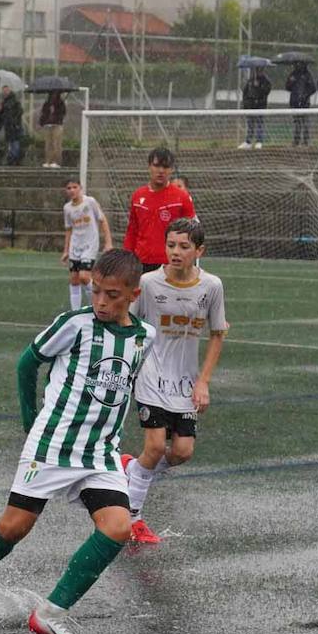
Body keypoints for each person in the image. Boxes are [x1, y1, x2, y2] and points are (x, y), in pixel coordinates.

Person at [0, 249, 155, 634]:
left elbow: (130, 386)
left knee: (117, 527)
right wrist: (30, 420)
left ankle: (51, 614)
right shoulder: (75, 325)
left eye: (112, 294)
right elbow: (28, 363)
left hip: (100, 454)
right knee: (13, 528)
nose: (101, 302)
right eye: (96, 292)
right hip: (52, 446)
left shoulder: (145, 336)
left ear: (133, 292)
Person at [120, 217, 227, 546]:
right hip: (150, 377)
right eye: (171, 245)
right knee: (154, 447)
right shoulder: (149, 283)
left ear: (199, 251)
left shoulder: (211, 287)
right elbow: (128, 322)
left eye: (183, 246)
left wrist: (203, 382)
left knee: (182, 452)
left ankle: (133, 471)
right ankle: (132, 519)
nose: (175, 252)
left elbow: (219, 332)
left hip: (185, 383)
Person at [123, 147, 196, 274]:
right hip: (141, 262)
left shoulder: (181, 197)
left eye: (166, 166)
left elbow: (192, 233)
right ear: (149, 166)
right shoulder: (138, 195)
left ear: (172, 169)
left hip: (170, 263)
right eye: (156, 166)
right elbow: (132, 230)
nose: (161, 171)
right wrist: (127, 257)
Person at [60, 178, 112, 311]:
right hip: (75, 246)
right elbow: (69, 229)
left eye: (74, 187)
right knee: (74, 279)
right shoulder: (67, 208)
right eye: (69, 188)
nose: (72, 190)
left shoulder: (90, 202)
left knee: (84, 277)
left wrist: (108, 242)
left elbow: (103, 220)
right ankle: (75, 311)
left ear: (80, 188)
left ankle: (94, 305)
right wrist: (66, 250)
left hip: (89, 244)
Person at [239, 68, 272, 149]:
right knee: (250, 125)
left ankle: (259, 141)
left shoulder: (266, 81)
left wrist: (259, 87)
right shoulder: (250, 80)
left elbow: (266, 91)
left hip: (260, 106)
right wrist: (246, 104)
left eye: (260, 71)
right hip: (250, 106)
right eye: (256, 71)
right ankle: (248, 142)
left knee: (259, 124)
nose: (258, 72)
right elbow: (245, 92)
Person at [285, 61, 316, 146]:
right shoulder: (292, 75)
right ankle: (296, 140)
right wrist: (291, 82)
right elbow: (287, 87)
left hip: (304, 103)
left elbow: (313, 88)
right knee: (296, 123)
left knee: (305, 122)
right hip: (295, 102)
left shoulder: (307, 75)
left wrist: (305, 95)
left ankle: (306, 141)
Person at [39, 90, 67, 168]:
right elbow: (43, 113)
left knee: (56, 143)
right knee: (48, 144)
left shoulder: (61, 103)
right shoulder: (47, 103)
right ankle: (48, 160)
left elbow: (63, 113)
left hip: (57, 124)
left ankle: (56, 161)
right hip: (48, 125)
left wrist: (55, 113)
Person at [1, 85, 24, 166]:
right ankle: (11, 159)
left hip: (14, 126)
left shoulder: (14, 101)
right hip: (8, 126)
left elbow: (20, 111)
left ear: (9, 91)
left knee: (15, 143)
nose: (5, 92)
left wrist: (15, 122)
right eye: (3, 91)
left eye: (6, 91)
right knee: (11, 143)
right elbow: (3, 114)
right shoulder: (4, 102)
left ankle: (15, 159)